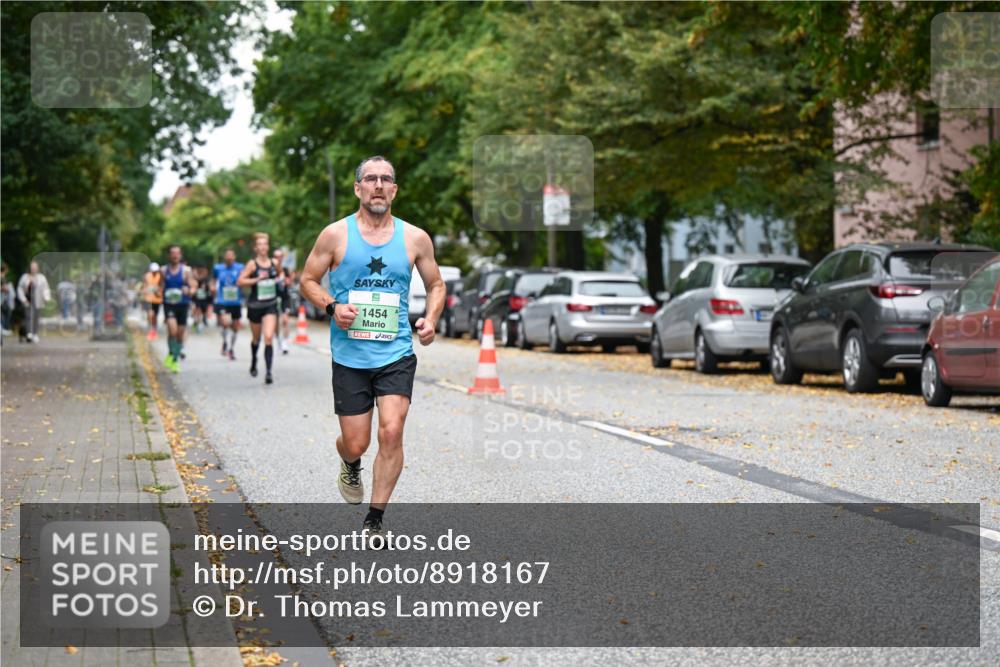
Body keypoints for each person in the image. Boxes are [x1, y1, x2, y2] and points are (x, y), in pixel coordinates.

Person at [300, 155, 444, 540]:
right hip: (350, 355)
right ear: (358, 188)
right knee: (357, 441)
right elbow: (308, 280)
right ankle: (349, 461)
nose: (378, 185)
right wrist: (331, 306)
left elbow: (436, 285)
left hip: (395, 351)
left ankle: (375, 519)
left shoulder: (415, 238)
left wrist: (430, 319)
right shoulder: (335, 235)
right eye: (370, 179)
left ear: (394, 190)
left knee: (392, 432)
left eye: (386, 179)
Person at [237, 233, 280, 384]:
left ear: (268, 246)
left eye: (265, 244)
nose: (263, 247)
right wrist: (256, 279)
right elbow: (240, 281)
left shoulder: (275, 262)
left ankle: (268, 372)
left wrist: (280, 281)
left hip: (270, 304)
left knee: (268, 337)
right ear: (256, 248)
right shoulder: (252, 264)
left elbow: (279, 275)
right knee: (256, 338)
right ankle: (254, 360)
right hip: (255, 305)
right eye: (260, 244)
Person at [159, 246, 197, 373]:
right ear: (169, 256)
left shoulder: (186, 271)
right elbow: (161, 286)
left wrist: (189, 291)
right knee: (172, 330)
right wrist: (158, 292)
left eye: (177, 253)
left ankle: (173, 356)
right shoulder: (164, 270)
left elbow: (193, 286)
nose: (175, 256)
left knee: (179, 334)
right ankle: (173, 357)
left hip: (182, 305)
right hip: (169, 304)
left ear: (180, 256)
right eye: (172, 253)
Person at [213, 248, 244, 361]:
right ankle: (225, 341)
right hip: (223, 300)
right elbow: (213, 280)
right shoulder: (218, 268)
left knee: (235, 326)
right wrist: (212, 287)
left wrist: (242, 283)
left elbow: (244, 279)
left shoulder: (240, 267)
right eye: (227, 256)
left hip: (236, 301)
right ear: (224, 257)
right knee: (225, 323)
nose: (230, 258)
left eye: (231, 255)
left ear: (234, 257)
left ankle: (231, 348)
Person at [17, 261, 51, 343]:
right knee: (28, 317)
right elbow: (20, 289)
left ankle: (35, 334)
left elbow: (45, 288)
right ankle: (29, 333)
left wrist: (46, 297)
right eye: (32, 267)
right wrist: (23, 299)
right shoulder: (24, 277)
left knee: (36, 318)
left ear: (37, 268)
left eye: (35, 267)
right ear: (30, 268)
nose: (34, 269)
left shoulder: (41, 277)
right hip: (27, 301)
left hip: (38, 301)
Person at [273, 248, 293, 354]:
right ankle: (278, 340)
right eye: (276, 257)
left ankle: (285, 342)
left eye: (280, 256)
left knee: (285, 320)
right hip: (274, 298)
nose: (278, 259)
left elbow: (290, 282)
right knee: (275, 322)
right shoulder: (271, 269)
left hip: (285, 298)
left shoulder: (286, 270)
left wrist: (287, 281)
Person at [141, 262, 163, 340]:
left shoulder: (161, 277)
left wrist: (158, 291)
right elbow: (144, 286)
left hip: (157, 300)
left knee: (155, 316)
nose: (154, 272)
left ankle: (154, 329)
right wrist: (144, 291)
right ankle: (150, 329)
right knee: (150, 314)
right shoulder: (146, 276)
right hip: (148, 299)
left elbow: (161, 287)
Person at [192, 266, 213, 332]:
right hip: (197, 298)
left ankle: (203, 320)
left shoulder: (207, 279)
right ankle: (197, 323)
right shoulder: (195, 279)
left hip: (205, 299)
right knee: (197, 311)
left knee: (204, 311)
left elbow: (210, 288)